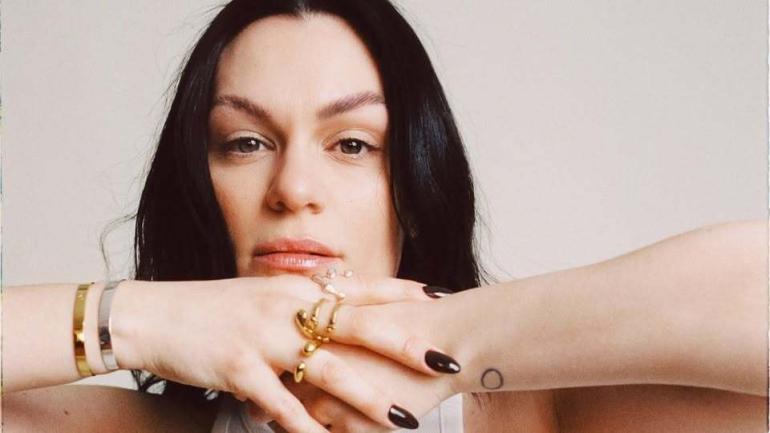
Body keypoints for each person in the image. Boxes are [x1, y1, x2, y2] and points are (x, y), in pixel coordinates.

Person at [3, 0, 766, 432]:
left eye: (352, 144)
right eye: (245, 142)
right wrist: (138, 318)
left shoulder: (538, 416)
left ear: (417, 188)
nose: (293, 187)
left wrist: (441, 339)